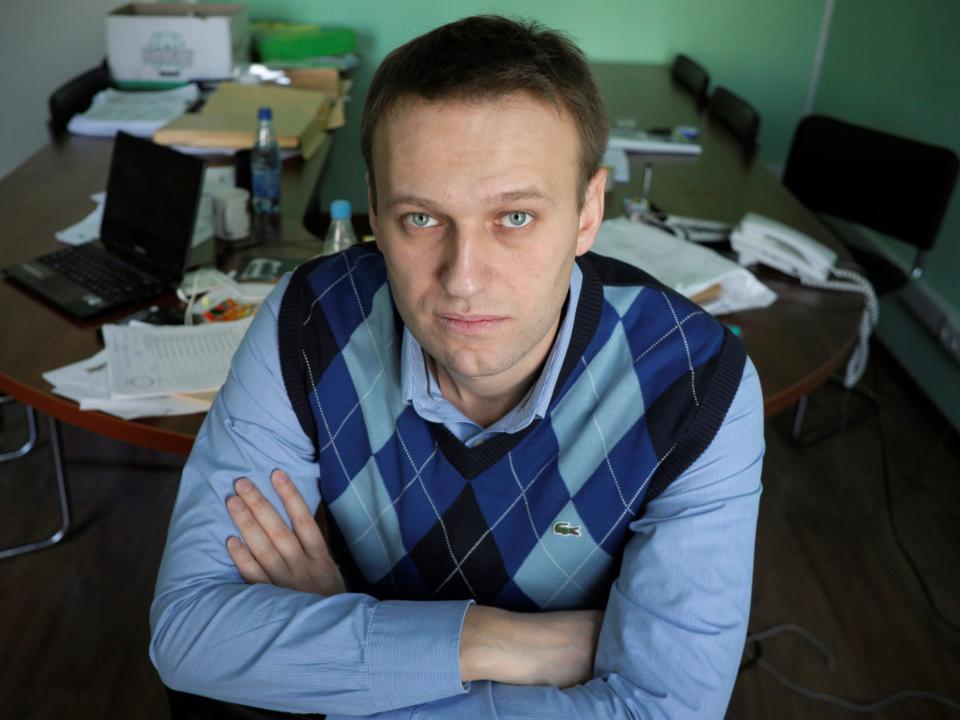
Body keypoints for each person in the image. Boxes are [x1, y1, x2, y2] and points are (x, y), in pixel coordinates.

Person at [150, 15, 764, 719]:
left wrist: (340, 648)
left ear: (588, 211)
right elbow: (190, 638)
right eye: (420, 218)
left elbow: (663, 712)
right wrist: (510, 646)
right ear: (375, 211)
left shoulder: (697, 385)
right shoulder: (306, 319)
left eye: (515, 218)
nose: (464, 278)